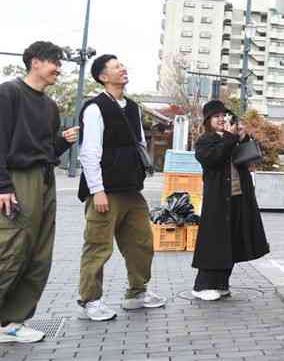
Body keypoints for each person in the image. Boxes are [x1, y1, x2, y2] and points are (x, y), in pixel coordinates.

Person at [0, 41, 79, 344]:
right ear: (35, 62)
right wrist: (3, 185)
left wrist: (64, 142)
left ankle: (11, 322)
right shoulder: (9, 93)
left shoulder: (49, 106)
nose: (59, 69)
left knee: (38, 255)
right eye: (54, 62)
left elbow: (45, 151)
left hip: (45, 181)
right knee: (10, 249)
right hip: (17, 181)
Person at [76, 54, 165, 321]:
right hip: (106, 191)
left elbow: (138, 143)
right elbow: (89, 152)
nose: (122, 69)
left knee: (141, 243)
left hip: (131, 189)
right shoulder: (95, 108)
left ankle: (137, 293)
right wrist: (97, 190)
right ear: (103, 77)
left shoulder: (133, 107)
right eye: (116, 67)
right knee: (98, 247)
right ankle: (90, 302)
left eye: (122, 65)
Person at [192, 100, 269, 300]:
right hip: (217, 200)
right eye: (216, 116)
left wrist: (242, 138)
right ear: (208, 121)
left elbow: (248, 157)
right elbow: (214, 158)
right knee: (213, 243)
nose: (220, 119)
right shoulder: (205, 141)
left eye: (223, 116)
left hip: (238, 198)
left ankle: (221, 284)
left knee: (232, 241)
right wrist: (230, 138)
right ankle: (202, 286)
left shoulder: (231, 139)